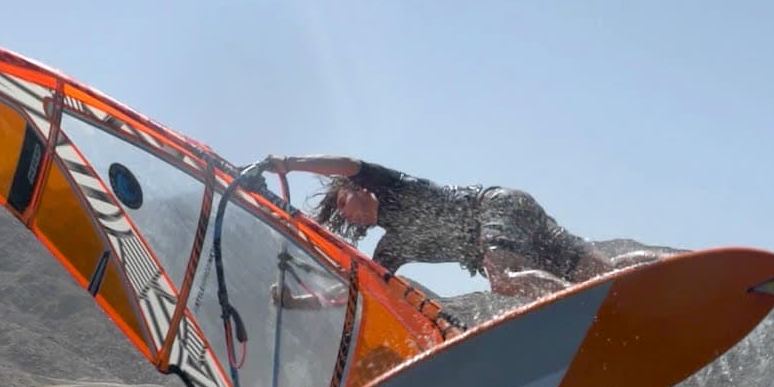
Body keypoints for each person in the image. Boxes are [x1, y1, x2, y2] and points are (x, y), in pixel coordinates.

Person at [259, 154, 655, 302]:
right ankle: (674, 267)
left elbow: (347, 163)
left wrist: (290, 164)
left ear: (361, 190)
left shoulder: (393, 187)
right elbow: (357, 291)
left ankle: (584, 307)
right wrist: (298, 303)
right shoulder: (392, 248)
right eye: (343, 216)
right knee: (594, 269)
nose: (348, 216)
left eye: (346, 204)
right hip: (511, 218)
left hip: (495, 207)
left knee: (502, 280)